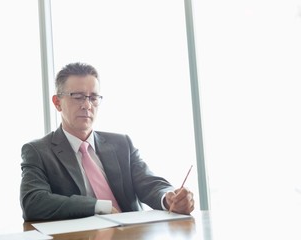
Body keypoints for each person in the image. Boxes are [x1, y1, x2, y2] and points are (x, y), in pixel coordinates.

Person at [20, 62, 195, 221]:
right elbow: (33, 202)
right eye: (78, 97)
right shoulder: (38, 151)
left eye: (93, 97)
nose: (87, 105)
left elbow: (149, 183)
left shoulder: (122, 144)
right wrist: (99, 206)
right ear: (57, 102)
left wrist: (169, 198)